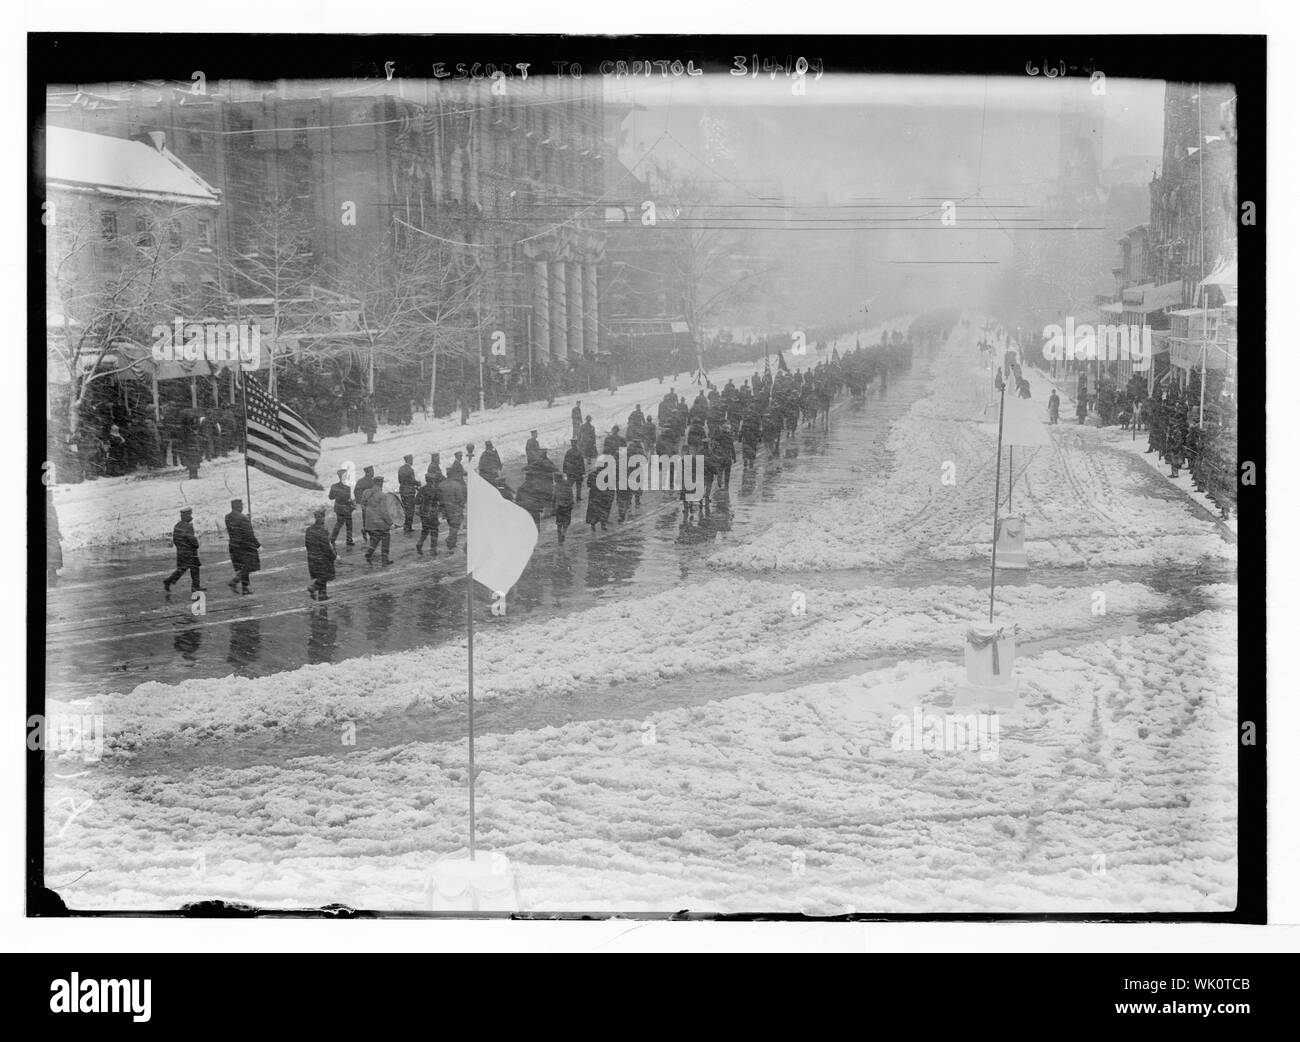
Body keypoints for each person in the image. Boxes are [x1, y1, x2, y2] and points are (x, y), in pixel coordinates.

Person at [223, 499, 261, 595]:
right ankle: (235, 581)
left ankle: (245, 588)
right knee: (249, 566)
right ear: (239, 507)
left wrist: (245, 518)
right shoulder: (243, 518)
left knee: (243, 567)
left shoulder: (227, 517)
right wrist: (258, 545)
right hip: (245, 546)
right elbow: (249, 534)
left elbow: (236, 524)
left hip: (234, 546)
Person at [164, 507, 202, 594]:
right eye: (190, 514)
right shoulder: (188, 526)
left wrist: (181, 548)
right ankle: (195, 588)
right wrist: (196, 545)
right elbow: (192, 540)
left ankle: (169, 581)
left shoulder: (177, 526)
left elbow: (175, 540)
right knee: (195, 569)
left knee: (181, 569)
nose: (191, 516)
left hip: (181, 552)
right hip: (190, 553)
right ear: (186, 516)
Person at [361, 475, 394, 566]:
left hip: (370, 522)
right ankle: (384, 560)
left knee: (375, 539)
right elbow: (384, 511)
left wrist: (370, 513)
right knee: (385, 539)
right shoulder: (381, 495)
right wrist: (390, 522)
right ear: (379, 483)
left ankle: (369, 553)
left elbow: (363, 506)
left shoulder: (366, 493)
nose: (382, 485)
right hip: (379, 523)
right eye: (382, 483)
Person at [305, 506, 337, 601]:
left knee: (321, 575)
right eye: (322, 517)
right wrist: (333, 556)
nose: (323, 519)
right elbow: (326, 547)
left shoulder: (309, 530)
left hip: (312, 557)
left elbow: (307, 544)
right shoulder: (323, 530)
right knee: (325, 576)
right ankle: (313, 588)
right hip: (322, 558)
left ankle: (322, 595)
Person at [329, 467, 356, 547]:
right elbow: (347, 500)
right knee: (349, 524)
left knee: (339, 523)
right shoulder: (347, 487)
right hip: (346, 509)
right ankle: (349, 540)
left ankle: (332, 539)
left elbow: (331, 497)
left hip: (338, 508)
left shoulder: (334, 486)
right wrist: (353, 504)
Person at [440, 470, 466, 551]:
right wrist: (461, 505)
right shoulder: (456, 485)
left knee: (451, 525)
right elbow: (460, 498)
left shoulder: (441, 484)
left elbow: (439, 498)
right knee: (455, 526)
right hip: (455, 509)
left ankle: (452, 541)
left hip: (445, 509)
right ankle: (450, 541)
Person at [415, 476, 440, 556]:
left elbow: (416, 501)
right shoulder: (435, 489)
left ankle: (420, 543)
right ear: (432, 480)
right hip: (432, 513)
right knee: (434, 531)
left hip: (424, 513)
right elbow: (439, 499)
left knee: (425, 530)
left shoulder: (422, 489)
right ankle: (433, 550)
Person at [398, 454, 419, 533]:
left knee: (406, 509)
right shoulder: (410, 470)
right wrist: (418, 483)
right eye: (411, 459)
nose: (412, 461)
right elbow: (412, 481)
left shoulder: (400, 469)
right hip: (409, 492)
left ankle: (406, 526)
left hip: (403, 491)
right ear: (409, 460)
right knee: (410, 509)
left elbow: (399, 481)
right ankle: (408, 527)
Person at [553, 474, 573, 544]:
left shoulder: (556, 486)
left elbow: (554, 497)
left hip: (559, 507)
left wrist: (553, 507)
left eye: (554, 478)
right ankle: (564, 533)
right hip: (567, 506)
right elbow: (571, 495)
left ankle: (559, 538)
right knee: (566, 522)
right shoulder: (567, 484)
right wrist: (571, 503)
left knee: (559, 523)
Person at [563, 438, 585, 502]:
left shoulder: (568, 452)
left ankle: (570, 499)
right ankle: (578, 498)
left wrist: (565, 470)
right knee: (578, 485)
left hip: (570, 472)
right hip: (577, 472)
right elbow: (582, 462)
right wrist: (582, 471)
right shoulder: (579, 452)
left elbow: (565, 462)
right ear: (576, 443)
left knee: (570, 486)